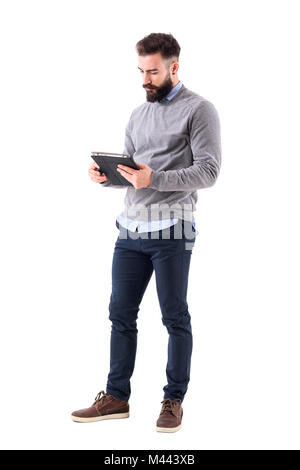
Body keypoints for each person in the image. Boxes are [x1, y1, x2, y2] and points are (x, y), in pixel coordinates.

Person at [71, 32, 221, 432]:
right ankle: (116, 397)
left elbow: (209, 171)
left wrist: (155, 177)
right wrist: (106, 178)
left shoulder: (199, 110)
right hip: (130, 230)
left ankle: (173, 400)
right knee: (120, 313)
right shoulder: (138, 115)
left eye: (153, 71)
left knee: (174, 316)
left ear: (174, 67)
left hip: (173, 228)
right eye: (141, 71)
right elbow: (132, 176)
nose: (145, 80)